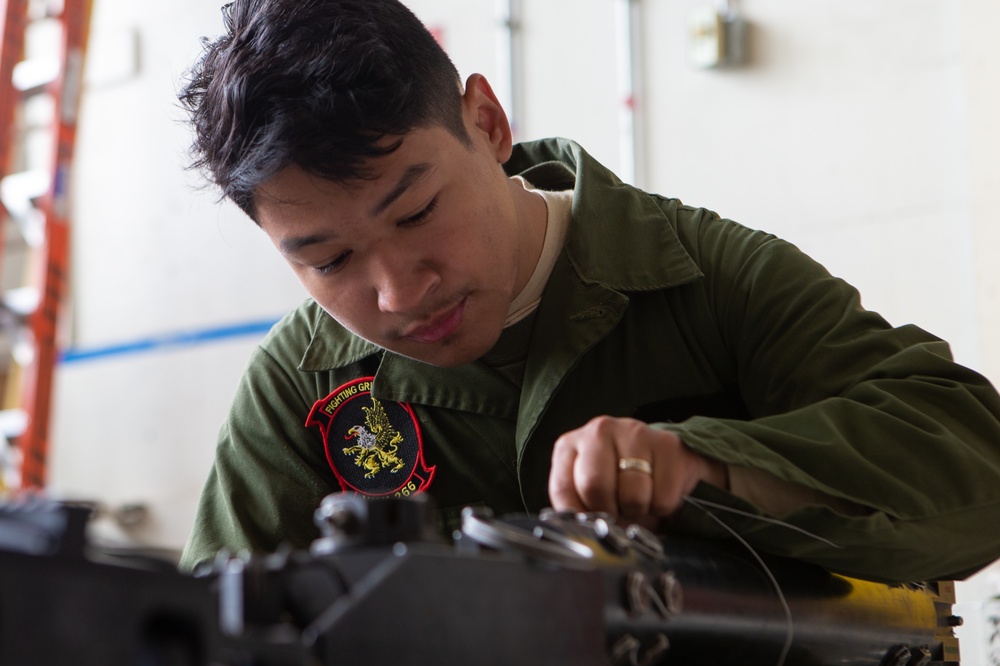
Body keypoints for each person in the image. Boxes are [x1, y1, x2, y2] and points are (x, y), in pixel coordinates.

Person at [177, 0, 1000, 584]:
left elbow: (973, 461)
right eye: (329, 260)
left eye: (419, 210)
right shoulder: (303, 391)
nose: (397, 291)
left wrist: (705, 466)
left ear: (487, 123)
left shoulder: (709, 279)